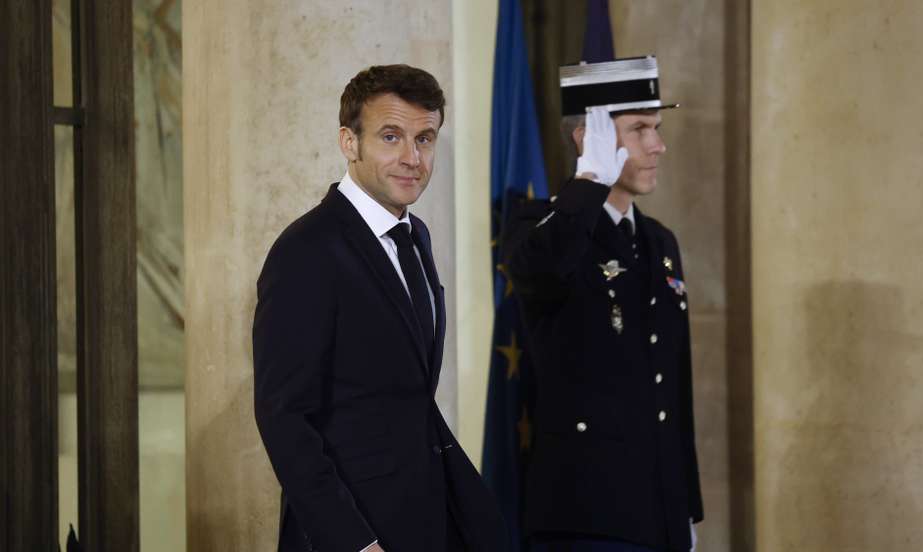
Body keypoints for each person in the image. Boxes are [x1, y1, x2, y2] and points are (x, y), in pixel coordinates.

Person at [253, 64, 506, 552]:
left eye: (425, 139)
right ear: (349, 142)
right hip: (354, 533)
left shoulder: (417, 237)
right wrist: (353, 542)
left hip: (425, 516)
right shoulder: (307, 249)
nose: (413, 157)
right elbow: (282, 415)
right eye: (391, 137)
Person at [500, 58, 704, 552]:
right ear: (585, 137)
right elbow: (542, 267)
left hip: (661, 513)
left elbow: (672, 383)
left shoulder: (659, 241)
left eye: (656, 128)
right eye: (638, 129)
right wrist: (589, 180)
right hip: (587, 515)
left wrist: (686, 508)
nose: (658, 145)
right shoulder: (538, 225)